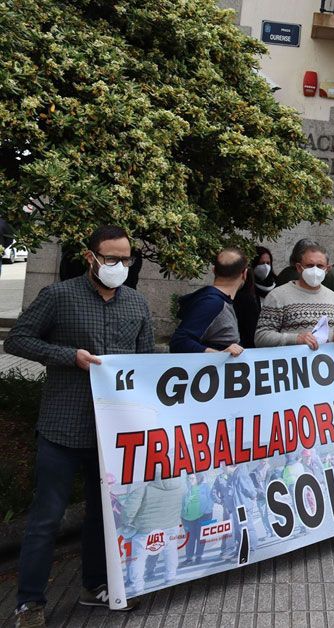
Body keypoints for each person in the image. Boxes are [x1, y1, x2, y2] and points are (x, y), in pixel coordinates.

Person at [9, 226, 154, 624]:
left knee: (103, 515)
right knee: (47, 517)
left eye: (126, 259)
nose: (119, 266)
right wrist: (67, 356)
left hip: (112, 433)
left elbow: (144, 365)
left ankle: (95, 585)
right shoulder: (58, 296)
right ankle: (30, 602)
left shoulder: (137, 305)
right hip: (63, 426)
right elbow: (17, 340)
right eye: (111, 259)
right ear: (90, 257)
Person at [255, 241, 334, 349]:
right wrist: (296, 339)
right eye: (310, 265)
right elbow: (261, 337)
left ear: (327, 269)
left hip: (324, 363)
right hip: (293, 364)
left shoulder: (333, 297)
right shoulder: (277, 296)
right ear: (299, 268)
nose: (315, 270)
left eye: (320, 266)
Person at [171, 247, 247, 356]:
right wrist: (219, 354)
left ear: (214, 270)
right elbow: (179, 342)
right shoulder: (213, 303)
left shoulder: (217, 301)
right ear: (245, 273)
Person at [122, 474, 186, 595]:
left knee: (139, 558)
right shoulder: (180, 486)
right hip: (172, 526)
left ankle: (137, 587)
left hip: (146, 529)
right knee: (171, 551)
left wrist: (129, 523)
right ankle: (170, 577)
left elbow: (128, 512)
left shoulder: (143, 490)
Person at [233, 246, 276, 349]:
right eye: (261, 263)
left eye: (268, 263)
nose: (265, 267)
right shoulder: (244, 292)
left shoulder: (277, 286)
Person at [179, 474, 214, 567]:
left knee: (201, 537)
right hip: (188, 518)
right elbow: (181, 502)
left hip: (203, 516)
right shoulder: (186, 488)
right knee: (190, 538)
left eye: (197, 477)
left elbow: (210, 500)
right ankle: (189, 558)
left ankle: (198, 556)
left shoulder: (206, 487)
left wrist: (206, 512)